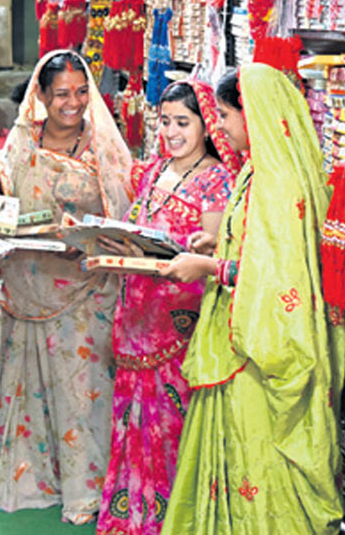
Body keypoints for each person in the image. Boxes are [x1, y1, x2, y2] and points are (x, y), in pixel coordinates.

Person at [157, 65, 345, 535]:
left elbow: (282, 281)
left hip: (258, 354)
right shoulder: (257, 174)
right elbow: (256, 253)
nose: (218, 125)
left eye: (224, 115)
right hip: (237, 339)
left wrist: (210, 268)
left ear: (254, 114)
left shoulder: (276, 186)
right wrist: (215, 244)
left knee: (256, 460)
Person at [0, 49, 134, 525]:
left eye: (79, 93)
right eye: (60, 95)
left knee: (83, 389)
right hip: (28, 281)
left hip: (86, 286)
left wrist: (91, 238)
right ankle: (36, 478)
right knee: (30, 384)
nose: (71, 104)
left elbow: (124, 214)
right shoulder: (22, 142)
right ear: (42, 97)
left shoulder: (103, 147)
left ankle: (86, 488)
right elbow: (4, 206)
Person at [91, 80, 241, 535]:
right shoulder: (153, 170)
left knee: (170, 419)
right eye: (165, 121)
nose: (171, 132)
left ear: (206, 124)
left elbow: (213, 247)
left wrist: (181, 251)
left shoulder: (216, 178)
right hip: (136, 308)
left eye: (183, 122)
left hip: (180, 318)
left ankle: (171, 520)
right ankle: (129, 514)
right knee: (130, 411)